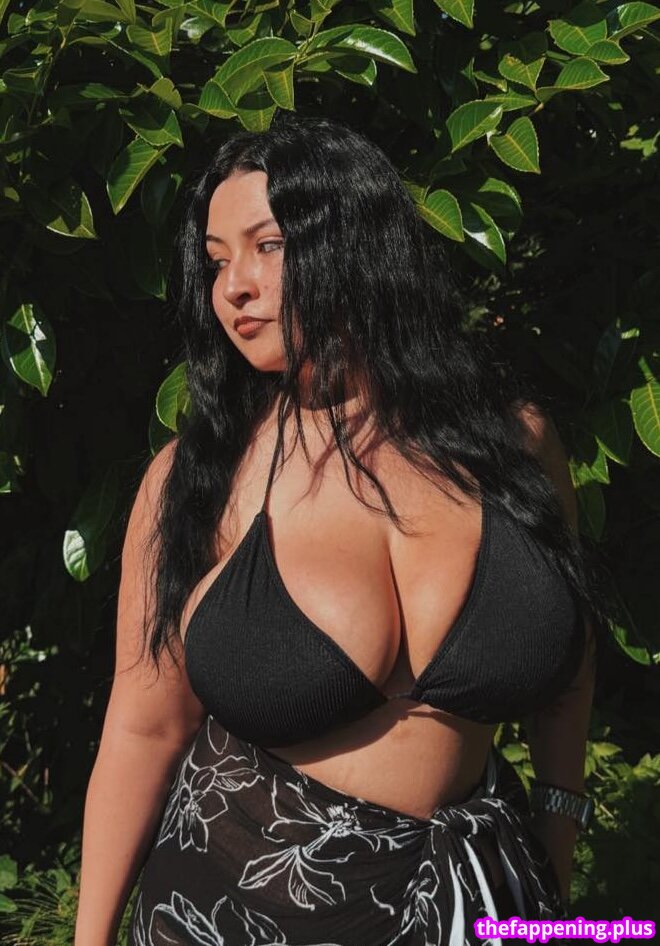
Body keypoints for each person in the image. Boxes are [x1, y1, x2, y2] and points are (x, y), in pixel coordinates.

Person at [75, 114, 602, 946]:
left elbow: (569, 674)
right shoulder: (200, 479)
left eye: (266, 247)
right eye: (216, 262)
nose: (233, 287)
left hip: (482, 906)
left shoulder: (516, 445)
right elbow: (145, 728)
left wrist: (556, 843)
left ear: (354, 243)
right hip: (233, 913)